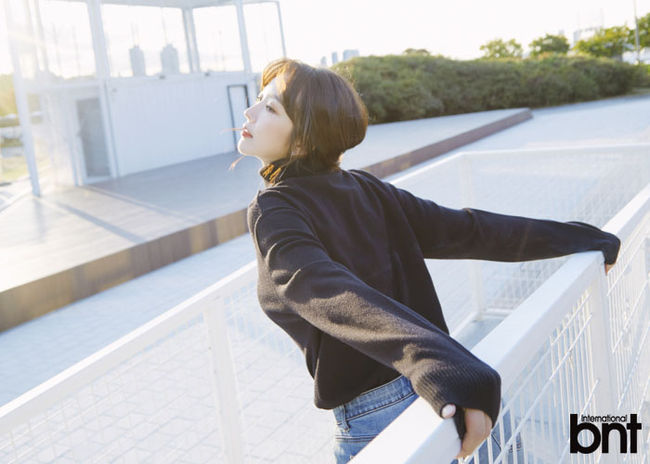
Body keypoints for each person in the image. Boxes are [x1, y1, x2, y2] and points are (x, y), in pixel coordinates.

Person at [237, 57, 621, 463]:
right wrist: (582, 236)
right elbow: (470, 230)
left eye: (270, 107)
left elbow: (319, 287)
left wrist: (435, 360)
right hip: (447, 390)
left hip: (395, 413)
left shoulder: (273, 208)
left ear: (303, 140)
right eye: (259, 100)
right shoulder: (366, 189)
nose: (249, 112)